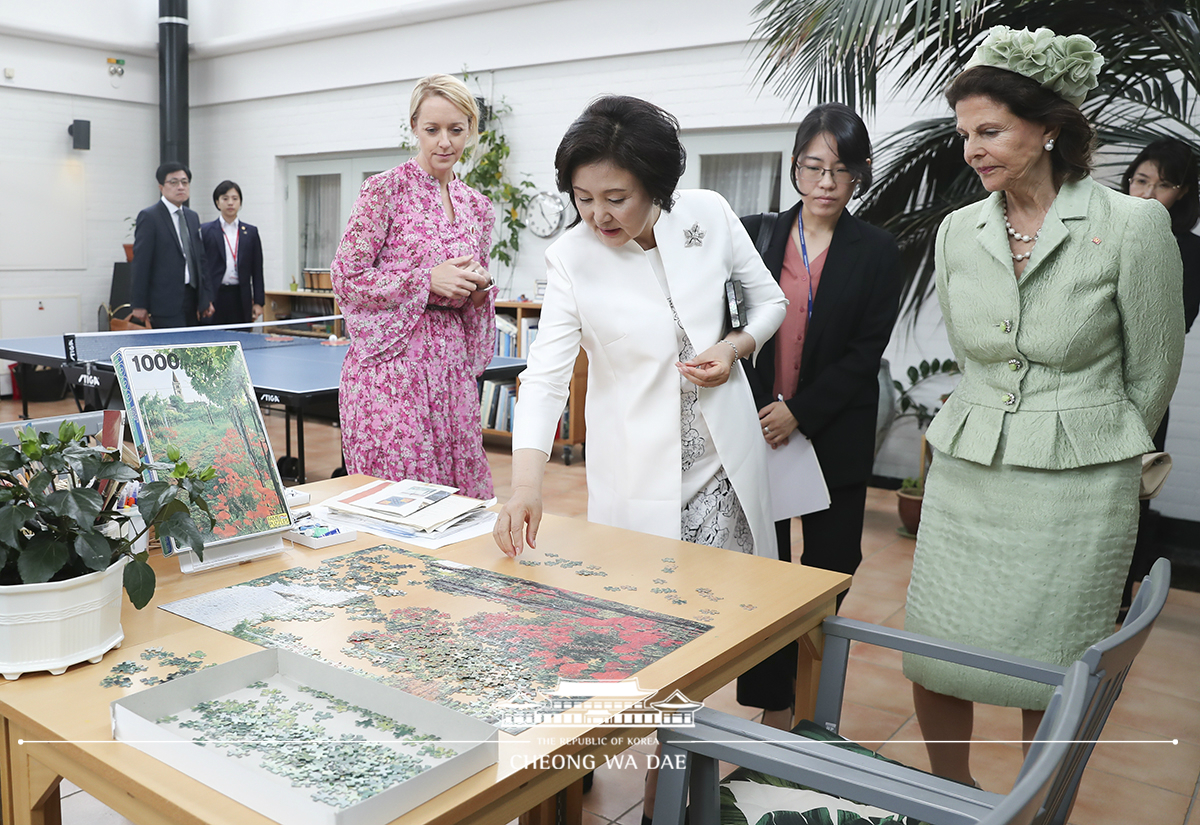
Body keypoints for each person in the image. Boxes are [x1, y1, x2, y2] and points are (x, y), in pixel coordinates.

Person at [903, 26, 1185, 786]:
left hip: (1079, 481)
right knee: (935, 645)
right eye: (965, 134)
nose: (971, 148)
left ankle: (1031, 804)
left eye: (989, 130)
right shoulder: (958, 231)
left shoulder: (1132, 226)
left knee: (1052, 658)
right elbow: (975, 353)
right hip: (970, 469)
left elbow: (1154, 368)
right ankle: (950, 793)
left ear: (1050, 126)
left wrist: (1109, 456)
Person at [492, 96, 786, 823]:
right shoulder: (572, 258)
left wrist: (735, 346)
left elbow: (769, 300)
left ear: (657, 183)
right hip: (638, 474)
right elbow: (546, 376)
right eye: (583, 198)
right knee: (647, 636)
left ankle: (670, 788)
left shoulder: (710, 215)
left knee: (706, 640)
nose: (599, 214)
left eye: (616, 197)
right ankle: (664, 784)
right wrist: (525, 481)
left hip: (723, 466)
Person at [736, 103, 903, 728]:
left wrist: (799, 413)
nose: (826, 182)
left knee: (829, 569)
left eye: (841, 169)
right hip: (758, 431)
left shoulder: (878, 251)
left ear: (858, 174)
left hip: (832, 433)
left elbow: (866, 354)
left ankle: (813, 703)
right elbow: (737, 325)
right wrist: (763, 412)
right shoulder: (757, 236)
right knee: (764, 572)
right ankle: (773, 708)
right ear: (795, 169)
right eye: (814, 166)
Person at [330, 74, 495, 498]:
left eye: (456, 130)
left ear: (470, 132)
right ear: (414, 127)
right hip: (393, 369)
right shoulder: (384, 190)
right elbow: (346, 277)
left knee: (457, 502)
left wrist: (476, 290)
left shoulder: (478, 206)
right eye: (432, 129)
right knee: (399, 499)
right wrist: (426, 279)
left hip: (450, 370)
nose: (444, 142)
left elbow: (475, 293)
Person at [1118, 137, 1200, 614]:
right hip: (1088, 384)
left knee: (1133, 492)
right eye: (1140, 180)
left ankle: (1121, 594)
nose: (1147, 194)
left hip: (1146, 389)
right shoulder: (1101, 229)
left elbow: (1174, 325)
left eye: (1162, 185)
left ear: (1182, 193)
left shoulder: (1189, 251)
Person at [130, 162, 215, 328]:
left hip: (192, 299)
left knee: (191, 350)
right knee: (172, 352)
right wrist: (139, 303)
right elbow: (141, 263)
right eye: (174, 182)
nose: (181, 187)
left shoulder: (192, 217)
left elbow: (200, 259)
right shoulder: (150, 217)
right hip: (165, 302)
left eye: (185, 182)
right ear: (161, 187)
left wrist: (206, 298)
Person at [200, 180, 265, 325]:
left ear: (240, 203)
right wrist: (203, 299)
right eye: (225, 198)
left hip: (240, 296)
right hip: (215, 296)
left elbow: (257, 269)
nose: (230, 203)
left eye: (235, 199)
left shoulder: (251, 232)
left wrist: (259, 302)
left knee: (241, 339)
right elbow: (201, 269)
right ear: (217, 203)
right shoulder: (205, 231)